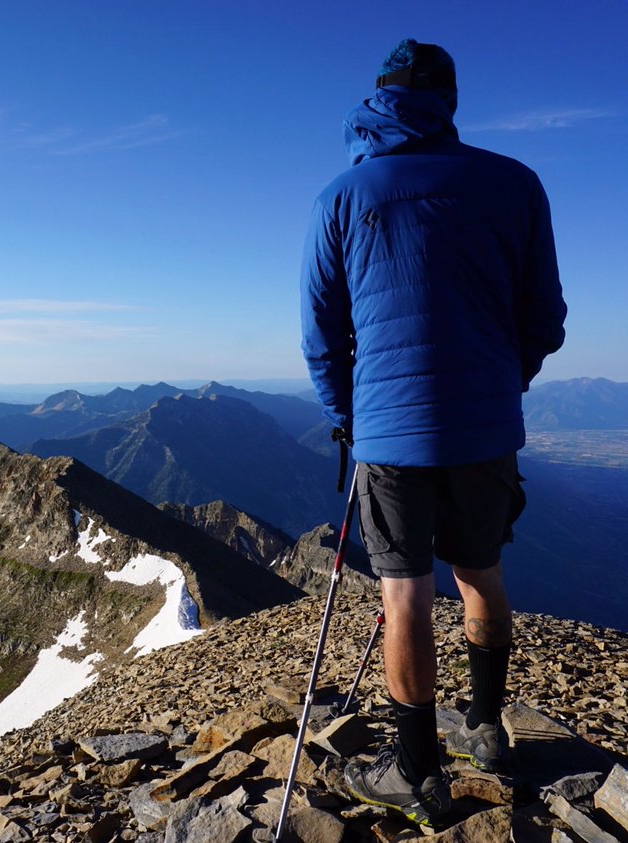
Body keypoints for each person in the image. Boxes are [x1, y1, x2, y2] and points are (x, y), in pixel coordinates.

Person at [300, 38, 567, 827]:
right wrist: (501, 380)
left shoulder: (343, 196)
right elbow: (544, 319)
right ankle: (486, 728)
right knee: (479, 570)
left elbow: (321, 336)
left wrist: (349, 415)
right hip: (486, 425)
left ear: (376, 98)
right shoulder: (516, 185)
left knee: (403, 589)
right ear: (449, 100)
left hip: (389, 433)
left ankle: (417, 773)